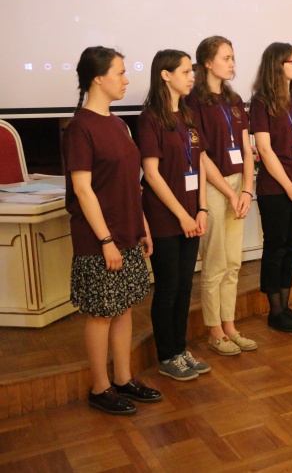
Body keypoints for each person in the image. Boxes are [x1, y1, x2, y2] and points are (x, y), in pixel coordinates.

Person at [63, 46, 162, 415]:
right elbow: (83, 189)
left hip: (127, 231)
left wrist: (143, 226)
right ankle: (100, 387)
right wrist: (105, 240)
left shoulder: (118, 124)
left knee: (124, 308)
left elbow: (131, 183)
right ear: (97, 78)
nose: (126, 79)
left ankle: (123, 378)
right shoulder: (80, 127)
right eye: (120, 72)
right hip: (99, 239)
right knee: (101, 312)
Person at [137, 49, 212, 381]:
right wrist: (183, 215)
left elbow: (200, 164)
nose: (191, 77)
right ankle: (167, 355)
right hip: (166, 218)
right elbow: (152, 174)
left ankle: (180, 350)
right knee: (168, 288)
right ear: (165, 75)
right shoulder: (150, 118)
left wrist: (202, 208)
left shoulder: (189, 115)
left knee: (184, 287)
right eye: (185, 71)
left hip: (192, 215)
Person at [186, 36, 256, 355]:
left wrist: (247, 189)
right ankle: (214, 329)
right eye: (225, 58)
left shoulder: (234, 99)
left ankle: (230, 325)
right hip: (213, 187)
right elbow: (200, 156)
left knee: (233, 262)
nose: (232, 63)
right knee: (214, 262)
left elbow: (247, 148)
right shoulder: (193, 101)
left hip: (238, 184)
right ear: (207, 62)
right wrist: (229, 192)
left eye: (232, 57)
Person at [250, 43, 292, 332]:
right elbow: (264, 150)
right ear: (277, 65)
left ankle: (286, 306)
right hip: (277, 189)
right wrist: (289, 186)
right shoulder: (261, 102)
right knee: (275, 248)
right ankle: (274, 311)